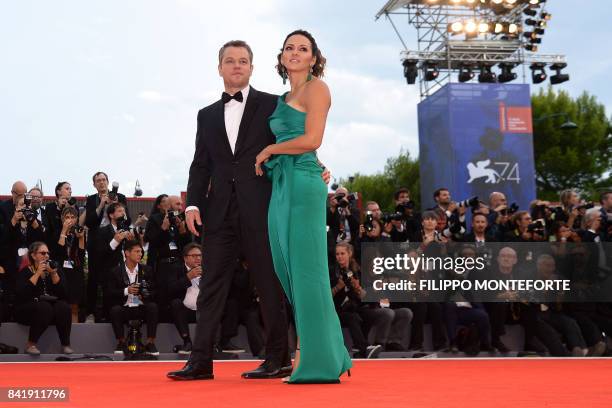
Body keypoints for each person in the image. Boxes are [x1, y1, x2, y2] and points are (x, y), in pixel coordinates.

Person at [168, 39, 329, 381]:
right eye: (230, 61)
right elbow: (200, 165)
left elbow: (295, 135)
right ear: (220, 68)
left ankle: (278, 358)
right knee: (211, 286)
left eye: (243, 61)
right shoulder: (206, 115)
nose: (237, 66)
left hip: (264, 208)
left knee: (269, 285)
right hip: (219, 213)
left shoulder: (273, 103)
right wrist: (193, 204)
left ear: (252, 68)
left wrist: (318, 164)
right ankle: (200, 362)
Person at [254, 29, 352, 383]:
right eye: (289, 48)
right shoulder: (282, 98)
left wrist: (269, 150)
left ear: (313, 58)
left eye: (303, 49)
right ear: (282, 57)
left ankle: (317, 362)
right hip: (282, 184)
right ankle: (324, 352)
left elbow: (312, 139)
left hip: (304, 185)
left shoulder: (317, 88)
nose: (295, 53)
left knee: (308, 272)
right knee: (289, 271)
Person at [14, 241, 73, 355]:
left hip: (49, 310)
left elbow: (64, 294)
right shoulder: (26, 271)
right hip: (27, 309)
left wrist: (54, 274)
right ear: (33, 255)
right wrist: (37, 273)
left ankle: (65, 344)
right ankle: (31, 344)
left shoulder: (54, 269)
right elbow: (22, 294)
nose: (46, 256)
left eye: (48, 253)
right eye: (42, 253)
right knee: (44, 307)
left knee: (64, 307)